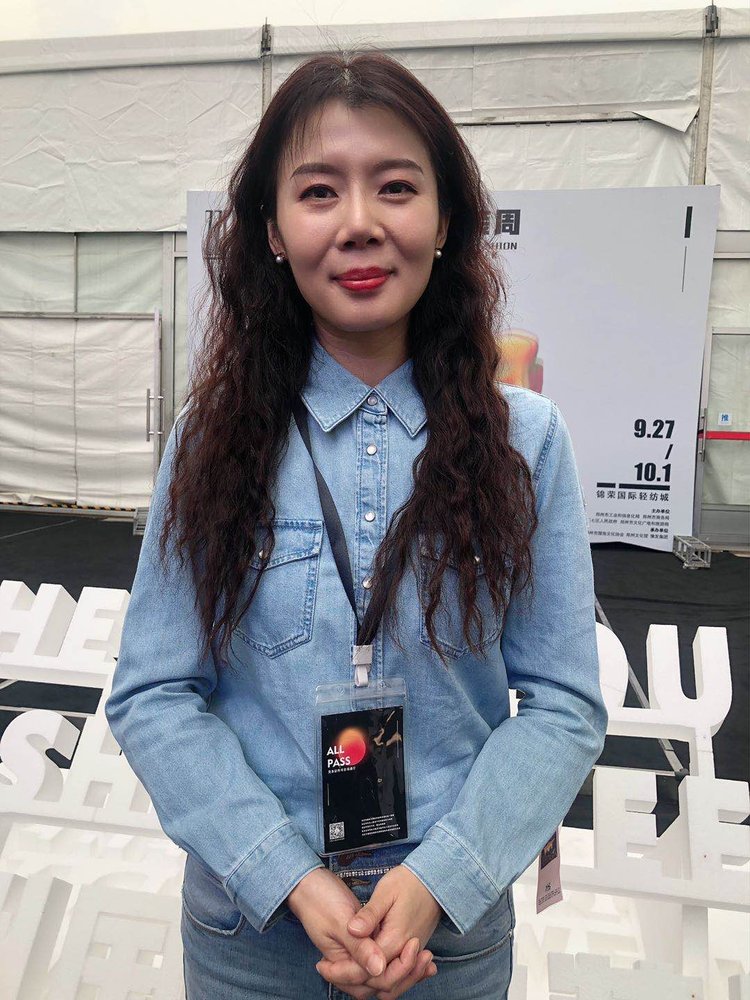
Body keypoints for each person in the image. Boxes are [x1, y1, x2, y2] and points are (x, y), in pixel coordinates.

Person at [105, 50, 608, 1000]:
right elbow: (154, 693)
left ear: (446, 221)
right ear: (271, 230)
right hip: (251, 939)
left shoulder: (527, 441)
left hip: (448, 941)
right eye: (319, 192)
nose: (361, 222)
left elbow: (564, 705)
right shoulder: (213, 440)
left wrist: (441, 879)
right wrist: (287, 875)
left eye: (397, 187)